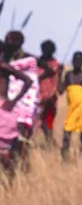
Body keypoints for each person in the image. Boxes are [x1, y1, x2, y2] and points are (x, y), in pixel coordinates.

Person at [3, 31, 40, 169]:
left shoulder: (29, 59)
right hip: (7, 102)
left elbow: (30, 81)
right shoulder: (5, 57)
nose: (6, 42)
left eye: (9, 40)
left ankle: (21, 167)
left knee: (20, 138)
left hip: (25, 103)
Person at [0, 43, 33, 180]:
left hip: (3, 107)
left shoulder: (3, 66)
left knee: (4, 152)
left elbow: (28, 81)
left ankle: (10, 184)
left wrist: (12, 101)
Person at [58, 51, 82, 159]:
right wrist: (59, 75)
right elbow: (60, 91)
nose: (77, 63)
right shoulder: (68, 75)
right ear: (72, 61)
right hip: (72, 108)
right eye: (75, 60)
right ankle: (64, 159)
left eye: (79, 61)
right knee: (67, 132)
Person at [37, 39, 61, 144]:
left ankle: (50, 142)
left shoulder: (55, 63)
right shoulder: (37, 62)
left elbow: (56, 80)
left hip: (50, 95)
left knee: (47, 120)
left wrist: (52, 94)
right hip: (38, 93)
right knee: (38, 121)